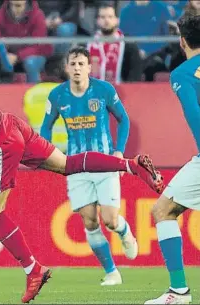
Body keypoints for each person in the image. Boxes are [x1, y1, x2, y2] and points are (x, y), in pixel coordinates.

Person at [0, 52, 165, 304]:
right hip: (14, 127)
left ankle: (33, 269)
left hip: (1, 144)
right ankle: (129, 165)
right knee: (68, 164)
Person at [40, 46, 136, 286]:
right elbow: (45, 128)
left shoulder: (103, 90)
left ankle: (124, 232)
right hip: (76, 167)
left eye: (81, 64)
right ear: (66, 68)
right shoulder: (57, 95)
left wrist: (119, 151)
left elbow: (123, 119)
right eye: (73, 64)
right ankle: (112, 272)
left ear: (89, 68)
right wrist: (49, 153)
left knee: (110, 220)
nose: (77, 68)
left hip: (105, 164)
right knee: (90, 222)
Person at [144, 14, 200, 305]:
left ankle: (179, 291)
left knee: (163, 211)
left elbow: (196, 117)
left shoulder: (183, 74)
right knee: (163, 209)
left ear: (182, 41)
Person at [87, 4, 142, 83]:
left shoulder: (129, 46)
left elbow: (135, 76)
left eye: (110, 17)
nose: (106, 20)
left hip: (122, 92)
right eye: (102, 17)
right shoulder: (88, 45)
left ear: (117, 20)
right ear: (97, 21)